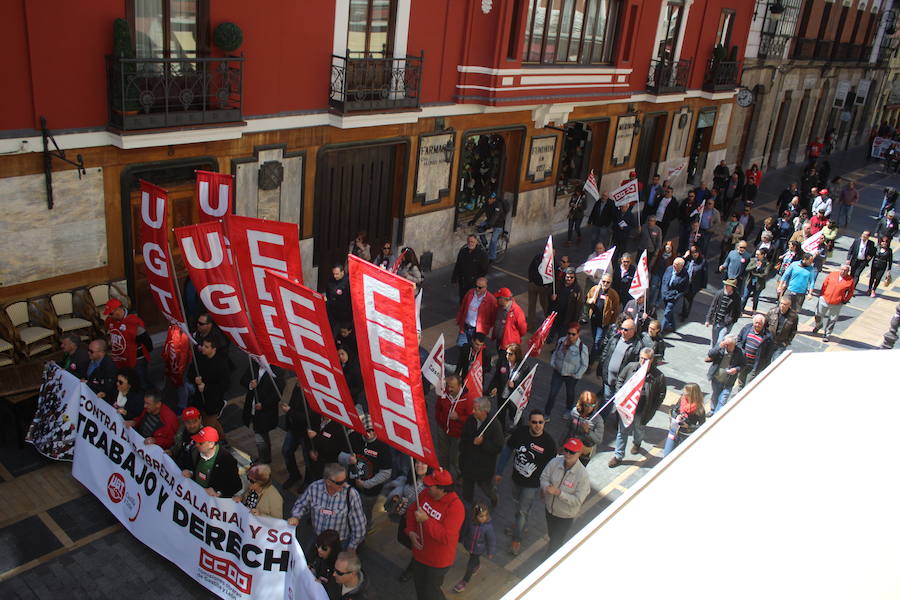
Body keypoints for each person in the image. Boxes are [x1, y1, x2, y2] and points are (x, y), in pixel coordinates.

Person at [494, 409, 556, 555]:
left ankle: (517, 538)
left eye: (541, 422)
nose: (538, 425)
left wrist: (545, 486)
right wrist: (499, 471)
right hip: (516, 479)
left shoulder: (548, 443)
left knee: (522, 510)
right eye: (534, 422)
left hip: (532, 484)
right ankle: (519, 526)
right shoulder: (520, 433)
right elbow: (507, 450)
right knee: (518, 505)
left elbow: (552, 467)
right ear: (529, 422)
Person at [405, 468, 465, 600]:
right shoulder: (426, 493)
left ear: (442, 489)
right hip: (420, 554)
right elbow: (412, 510)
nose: (427, 487)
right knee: (420, 588)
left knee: (431, 592)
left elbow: (446, 537)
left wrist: (426, 520)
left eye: (430, 485)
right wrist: (411, 532)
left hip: (437, 561)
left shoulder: (456, 507)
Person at [288, 463, 366, 551]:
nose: (344, 484)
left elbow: (359, 525)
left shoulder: (351, 495)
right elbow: (301, 504)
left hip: (339, 542)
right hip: (317, 536)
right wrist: (296, 516)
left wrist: (352, 547)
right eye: (340, 482)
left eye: (345, 480)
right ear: (328, 482)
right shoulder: (314, 488)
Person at [609, 347, 666, 467]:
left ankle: (637, 442)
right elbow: (621, 379)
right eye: (641, 358)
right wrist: (620, 394)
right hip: (627, 407)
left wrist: (653, 408)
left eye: (646, 359)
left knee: (638, 429)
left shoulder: (658, 376)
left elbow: (661, 394)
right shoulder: (631, 367)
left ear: (651, 360)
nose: (643, 361)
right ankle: (618, 456)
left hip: (642, 410)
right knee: (622, 431)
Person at [339, 414, 393, 528]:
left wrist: (366, 484)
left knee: (365, 512)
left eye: (372, 431)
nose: (369, 434)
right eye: (366, 430)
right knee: (348, 505)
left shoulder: (383, 445)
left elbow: (386, 472)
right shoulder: (353, 436)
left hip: (370, 490)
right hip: (351, 484)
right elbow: (340, 456)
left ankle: (365, 527)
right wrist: (348, 459)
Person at [541, 438, 591, 557]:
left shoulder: (582, 476)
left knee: (556, 543)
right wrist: (546, 487)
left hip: (565, 516)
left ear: (579, 453)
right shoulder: (554, 462)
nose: (567, 454)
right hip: (549, 510)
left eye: (572, 452)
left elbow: (578, 500)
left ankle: (548, 561)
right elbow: (544, 477)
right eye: (566, 450)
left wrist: (559, 493)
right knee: (552, 535)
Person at [459, 397, 504, 507]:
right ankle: (467, 508)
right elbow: (464, 437)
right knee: (467, 491)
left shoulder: (494, 425)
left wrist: (483, 443)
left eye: (476, 409)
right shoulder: (471, 420)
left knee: (485, 488)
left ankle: (493, 497)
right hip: (469, 463)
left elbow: (498, 447)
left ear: (484, 411)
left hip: (483, 467)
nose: (473, 411)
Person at [103, 297, 152, 389]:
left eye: (111, 313)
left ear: (118, 310)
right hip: (121, 359)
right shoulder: (110, 321)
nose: (109, 316)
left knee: (141, 382)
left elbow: (147, 342)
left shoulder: (134, 322)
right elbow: (108, 332)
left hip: (137, 359)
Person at [188, 335, 230, 442]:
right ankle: (222, 439)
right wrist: (195, 379)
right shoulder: (200, 358)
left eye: (207, 347)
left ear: (213, 349)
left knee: (208, 427)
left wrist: (206, 387)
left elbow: (224, 385)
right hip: (200, 400)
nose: (203, 348)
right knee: (212, 423)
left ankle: (214, 443)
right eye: (203, 345)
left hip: (213, 402)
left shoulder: (221, 364)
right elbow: (191, 373)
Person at [180, 426, 242, 498]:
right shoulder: (195, 451)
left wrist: (218, 493)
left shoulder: (227, 460)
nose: (196, 445)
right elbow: (189, 464)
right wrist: (190, 472)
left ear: (211, 444)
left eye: (200, 443)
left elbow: (236, 486)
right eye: (196, 441)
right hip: (194, 494)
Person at [543, 323, 590, 418]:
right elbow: (555, 353)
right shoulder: (561, 341)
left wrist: (577, 375)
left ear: (578, 334)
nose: (570, 336)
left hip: (571, 376)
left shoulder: (582, 348)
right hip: (558, 372)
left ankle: (568, 409)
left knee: (570, 393)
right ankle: (547, 413)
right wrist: (553, 364)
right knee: (552, 393)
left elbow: (584, 364)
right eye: (569, 333)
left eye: (573, 334)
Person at [240, 365, 282, 464]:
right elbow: (243, 380)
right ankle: (264, 457)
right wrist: (250, 385)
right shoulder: (252, 366)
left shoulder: (276, 371)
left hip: (265, 412)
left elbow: (277, 394)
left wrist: (264, 405)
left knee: (261, 435)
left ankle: (264, 459)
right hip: (252, 408)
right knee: (260, 434)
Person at [596, 318, 643, 405]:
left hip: (622, 382)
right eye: (621, 328)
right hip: (608, 378)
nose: (622, 331)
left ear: (633, 330)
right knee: (606, 401)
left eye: (625, 329)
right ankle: (601, 418)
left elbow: (637, 366)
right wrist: (600, 369)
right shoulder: (615, 338)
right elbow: (605, 354)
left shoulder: (638, 345)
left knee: (619, 404)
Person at [452, 503, 496, 593]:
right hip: (470, 546)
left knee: (470, 565)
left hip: (478, 549)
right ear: (475, 516)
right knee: (473, 558)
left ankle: (464, 582)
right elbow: (465, 531)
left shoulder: (488, 528)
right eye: (481, 516)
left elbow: (491, 541)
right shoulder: (471, 523)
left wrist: (490, 552)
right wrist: (462, 539)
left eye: (486, 515)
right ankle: (477, 564)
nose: (484, 518)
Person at [280, 386, 318, 489]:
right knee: (286, 451)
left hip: (307, 432)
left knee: (308, 459)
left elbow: (310, 417)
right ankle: (294, 475)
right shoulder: (297, 387)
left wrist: (290, 411)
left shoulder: (315, 393)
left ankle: (308, 481)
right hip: (294, 428)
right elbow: (293, 403)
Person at [434, 375, 470, 479]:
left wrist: (459, 417)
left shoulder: (468, 399)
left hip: (457, 434)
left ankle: (461, 475)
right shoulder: (444, 394)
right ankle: (445, 476)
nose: (449, 389)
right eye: (448, 386)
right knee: (442, 455)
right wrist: (439, 421)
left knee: (455, 459)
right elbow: (438, 408)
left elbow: (470, 419)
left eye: (452, 387)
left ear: (460, 386)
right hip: (443, 429)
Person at [581, 273, 620, 358]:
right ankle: (597, 350)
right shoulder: (595, 289)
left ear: (611, 283)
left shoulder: (613, 294)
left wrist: (611, 322)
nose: (605, 284)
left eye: (608, 282)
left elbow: (616, 310)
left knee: (597, 341)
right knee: (595, 338)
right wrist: (589, 301)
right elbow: (587, 299)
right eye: (604, 281)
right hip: (594, 319)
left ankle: (592, 359)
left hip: (603, 322)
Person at [559, 391, 603, 466]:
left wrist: (588, 431)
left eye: (593, 405)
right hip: (570, 447)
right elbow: (567, 428)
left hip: (584, 452)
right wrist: (561, 444)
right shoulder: (574, 412)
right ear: (582, 403)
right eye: (587, 405)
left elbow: (598, 440)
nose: (590, 408)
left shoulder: (597, 420)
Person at [814, 264, 856, 342]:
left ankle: (827, 334)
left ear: (848, 271)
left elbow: (851, 292)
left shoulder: (850, 280)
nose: (843, 271)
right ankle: (818, 325)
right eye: (842, 269)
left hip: (837, 302)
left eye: (845, 270)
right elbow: (825, 284)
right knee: (818, 315)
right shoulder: (833, 274)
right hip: (824, 299)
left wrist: (845, 299)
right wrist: (822, 294)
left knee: (832, 319)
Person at [488, 343, 524, 430]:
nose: (507, 356)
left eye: (510, 354)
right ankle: (502, 431)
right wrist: (494, 386)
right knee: (501, 414)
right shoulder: (502, 362)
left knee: (514, 414)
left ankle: (520, 428)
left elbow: (524, 383)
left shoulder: (523, 366)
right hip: (502, 394)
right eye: (507, 353)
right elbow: (496, 376)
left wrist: (514, 385)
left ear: (516, 355)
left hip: (513, 397)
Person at [663, 383, 706, 456]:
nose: (684, 394)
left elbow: (703, 426)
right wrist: (677, 416)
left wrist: (688, 426)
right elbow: (674, 410)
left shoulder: (700, 409)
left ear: (692, 394)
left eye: (686, 393)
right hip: (674, 430)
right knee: (667, 455)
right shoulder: (682, 399)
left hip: (685, 435)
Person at [735, 314, 773, 390]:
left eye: (760, 323)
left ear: (763, 324)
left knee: (750, 384)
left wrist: (765, 365)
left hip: (755, 364)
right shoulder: (747, 328)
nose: (757, 325)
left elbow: (768, 353)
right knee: (741, 380)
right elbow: (739, 340)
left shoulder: (768, 336)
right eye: (756, 323)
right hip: (743, 361)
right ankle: (740, 393)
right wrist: (741, 352)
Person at [455, 277, 496, 346]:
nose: (477, 289)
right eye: (476, 286)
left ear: (485, 287)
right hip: (465, 327)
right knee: (460, 345)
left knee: (475, 350)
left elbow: (493, 317)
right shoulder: (470, 293)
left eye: (480, 287)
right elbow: (463, 307)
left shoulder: (491, 300)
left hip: (478, 331)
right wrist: (459, 319)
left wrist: (486, 327)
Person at [452, 235, 490, 304]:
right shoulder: (463, 251)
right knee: (463, 299)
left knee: (471, 300)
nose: (470, 243)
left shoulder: (482, 254)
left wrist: (477, 280)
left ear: (476, 242)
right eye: (469, 242)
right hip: (463, 281)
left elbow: (485, 270)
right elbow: (458, 265)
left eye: (472, 242)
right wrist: (454, 277)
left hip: (473, 283)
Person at [705, 279, 741, 350]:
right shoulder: (719, 293)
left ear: (732, 287)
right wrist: (708, 320)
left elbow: (738, 311)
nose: (725, 286)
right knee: (714, 340)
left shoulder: (736, 297)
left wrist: (733, 320)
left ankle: (715, 354)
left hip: (727, 324)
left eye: (727, 285)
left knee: (720, 340)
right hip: (717, 321)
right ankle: (712, 353)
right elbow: (713, 307)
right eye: (725, 285)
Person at [548, 268, 582, 341]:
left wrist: (575, 320)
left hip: (567, 317)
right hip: (556, 313)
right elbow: (550, 294)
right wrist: (552, 297)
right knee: (552, 329)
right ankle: (550, 338)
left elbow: (578, 306)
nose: (569, 279)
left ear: (574, 278)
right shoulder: (559, 284)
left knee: (562, 335)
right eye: (567, 277)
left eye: (571, 277)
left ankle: (558, 347)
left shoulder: (577, 289)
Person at [492, 288, 528, 352]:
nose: (496, 299)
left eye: (498, 298)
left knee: (504, 360)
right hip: (499, 340)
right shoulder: (499, 306)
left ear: (504, 299)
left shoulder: (517, 311)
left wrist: (512, 336)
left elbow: (523, 329)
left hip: (509, 345)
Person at [659, 257, 689, 333]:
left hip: (673, 297)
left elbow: (684, 289)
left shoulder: (685, 275)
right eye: (674, 264)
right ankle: (673, 327)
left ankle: (660, 331)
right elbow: (664, 280)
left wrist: (676, 297)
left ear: (681, 266)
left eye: (676, 265)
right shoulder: (669, 269)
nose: (674, 266)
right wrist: (663, 292)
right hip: (665, 294)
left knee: (666, 313)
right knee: (669, 312)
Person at [766, 297, 799, 362]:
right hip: (769, 341)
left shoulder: (793, 316)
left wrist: (786, 342)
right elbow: (765, 324)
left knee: (775, 362)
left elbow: (793, 331)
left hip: (781, 343)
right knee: (766, 360)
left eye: (785, 304)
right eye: (781, 303)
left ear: (789, 306)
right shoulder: (772, 311)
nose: (782, 306)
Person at [309, 529, 341, 595]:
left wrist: (324, 585)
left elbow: (335, 592)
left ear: (333, 549)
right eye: (318, 545)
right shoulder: (315, 553)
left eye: (324, 548)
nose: (319, 550)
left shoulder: (338, 566)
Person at [682, 244, 709, 320]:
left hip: (694, 285)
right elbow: (679, 263)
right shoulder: (688, 259)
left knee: (688, 299)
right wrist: (684, 256)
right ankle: (684, 311)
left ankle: (685, 314)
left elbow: (705, 274)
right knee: (685, 298)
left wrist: (703, 286)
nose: (695, 254)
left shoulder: (703, 262)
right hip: (685, 283)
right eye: (693, 252)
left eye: (696, 252)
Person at [527, 250, 553, 324]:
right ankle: (530, 323)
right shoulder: (538, 257)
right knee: (532, 305)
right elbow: (531, 268)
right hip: (534, 285)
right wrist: (531, 280)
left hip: (543, 287)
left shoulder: (552, 262)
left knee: (545, 305)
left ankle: (548, 321)